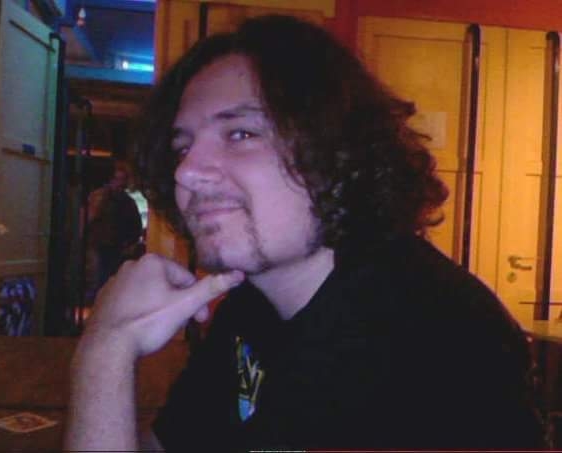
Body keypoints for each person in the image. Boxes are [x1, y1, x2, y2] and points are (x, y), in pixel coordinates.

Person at [65, 15, 546, 451]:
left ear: (334, 151)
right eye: (182, 147)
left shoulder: (431, 342)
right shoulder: (252, 304)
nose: (187, 171)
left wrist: (104, 351)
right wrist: (110, 347)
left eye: (241, 134)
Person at [86, 164, 144, 294]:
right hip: (100, 245)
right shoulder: (99, 198)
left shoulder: (127, 202)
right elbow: (89, 219)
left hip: (118, 248)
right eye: (118, 179)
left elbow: (136, 225)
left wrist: (130, 244)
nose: (120, 183)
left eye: (123, 180)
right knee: (100, 279)